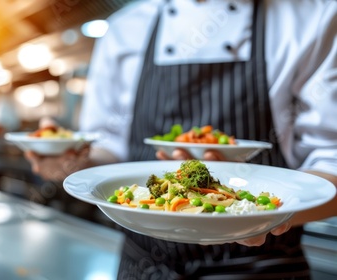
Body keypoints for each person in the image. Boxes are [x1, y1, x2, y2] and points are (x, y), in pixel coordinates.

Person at [25, 0, 337, 279]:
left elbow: (331, 162)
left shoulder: (313, 17)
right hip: (144, 268)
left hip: (261, 268)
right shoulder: (124, 30)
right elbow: (109, 153)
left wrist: (263, 215)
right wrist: (71, 161)